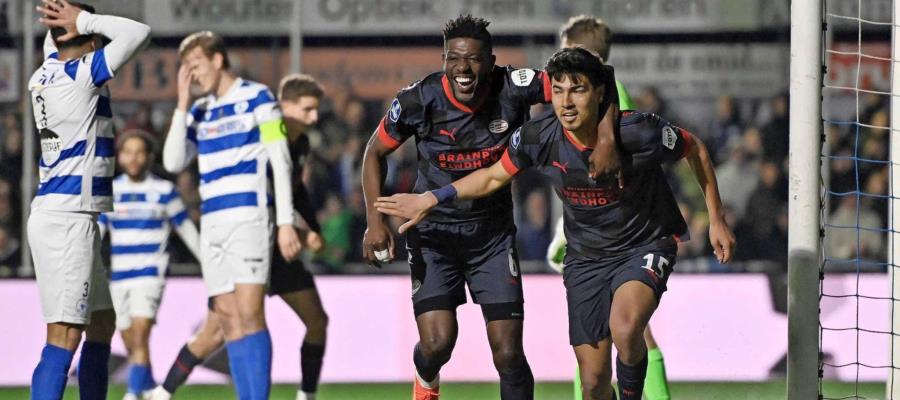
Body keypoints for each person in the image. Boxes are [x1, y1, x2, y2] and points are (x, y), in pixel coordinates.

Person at [375, 47, 735, 400]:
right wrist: (433, 197)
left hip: (643, 245)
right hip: (586, 259)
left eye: (577, 90)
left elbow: (696, 149)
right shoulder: (537, 137)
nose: (565, 102)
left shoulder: (637, 132)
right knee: (593, 382)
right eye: (558, 90)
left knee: (626, 330)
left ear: (598, 94)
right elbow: (489, 178)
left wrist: (716, 219)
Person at [361, 14, 619, 400]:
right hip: (434, 236)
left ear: (492, 61)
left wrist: (607, 140)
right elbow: (373, 152)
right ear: (444, 59)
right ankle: (426, 380)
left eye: (474, 59)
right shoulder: (418, 99)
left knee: (509, 354)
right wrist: (374, 221)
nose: (463, 69)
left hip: (492, 238)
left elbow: (599, 76)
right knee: (437, 344)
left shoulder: (513, 87)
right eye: (453, 58)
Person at [151, 74, 329, 400]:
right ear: (283, 106)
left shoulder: (300, 144)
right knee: (213, 333)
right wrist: (295, 228)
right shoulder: (261, 134)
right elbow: (261, 190)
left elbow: (295, 190)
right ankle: (162, 392)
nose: (314, 117)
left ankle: (307, 395)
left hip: (281, 246)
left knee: (317, 320)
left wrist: (311, 228)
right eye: (307, 109)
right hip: (253, 237)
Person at [27, 1, 150, 398]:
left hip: (66, 215)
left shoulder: (44, 72)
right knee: (63, 336)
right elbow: (138, 34)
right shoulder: (80, 75)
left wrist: (66, 22)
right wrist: (84, 19)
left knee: (101, 322)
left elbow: (59, 41)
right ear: (92, 40)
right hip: (68, 219)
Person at [550, 15, 672, 400]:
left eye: (565, 47)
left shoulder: (603, 91)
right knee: (608, 335)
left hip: (615, 231)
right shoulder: (607, 89)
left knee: (621, 331)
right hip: (601, 223)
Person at [97, 132, 201, 400]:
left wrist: (208, 262)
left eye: (139, 152)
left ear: (149, 157)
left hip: (150, 274)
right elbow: (97, 232)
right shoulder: (112, 192)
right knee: (130, 338)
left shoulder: (164, 191)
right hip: (119, 277)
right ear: (119, 158)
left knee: (141, 333)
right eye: (128, 152)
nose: (134, 158)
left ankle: (133, 394)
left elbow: (186, 230)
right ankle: (149, 386)